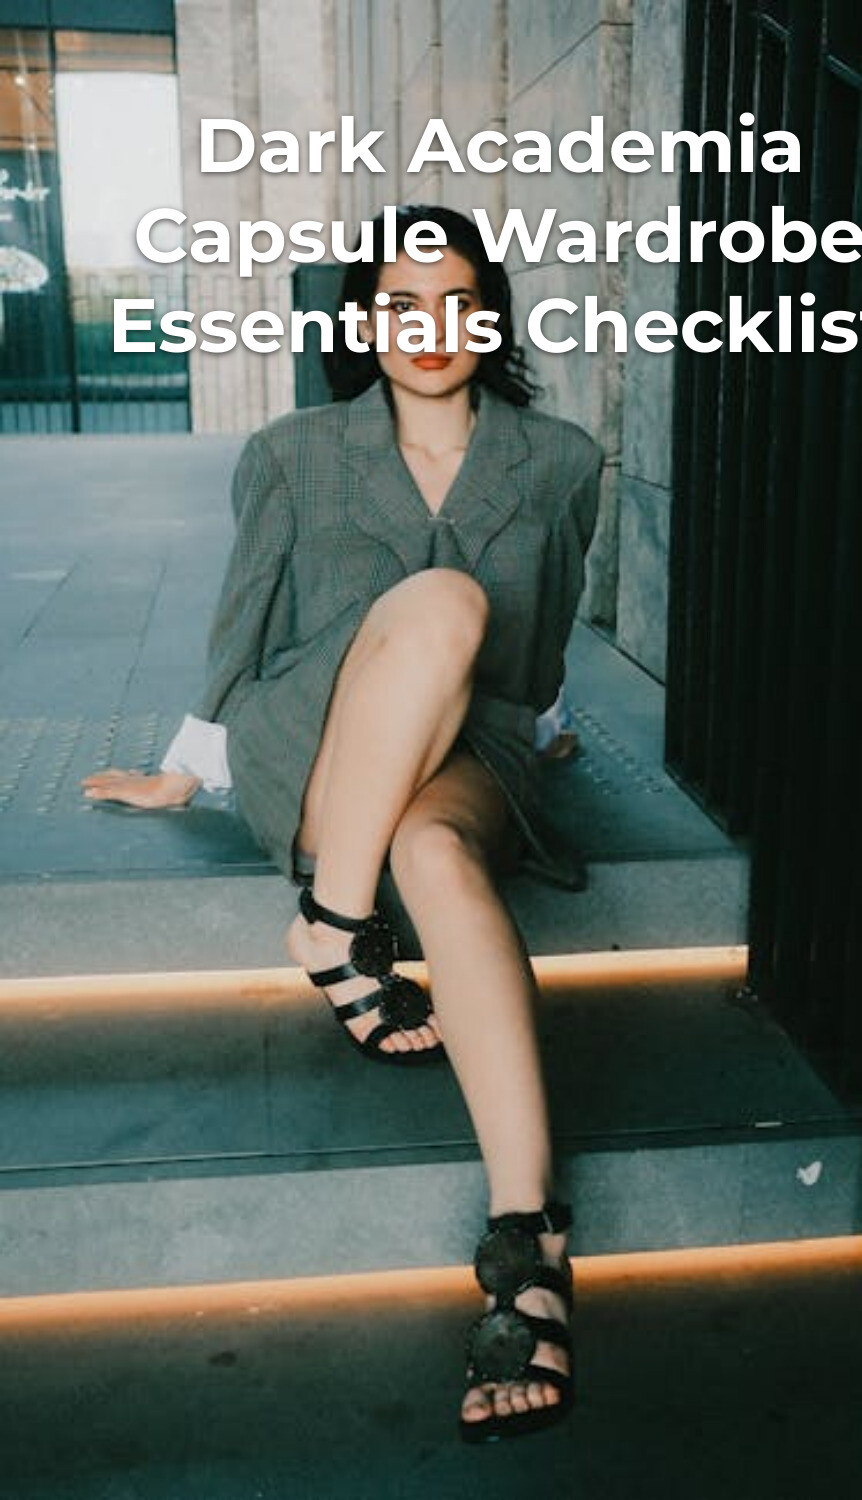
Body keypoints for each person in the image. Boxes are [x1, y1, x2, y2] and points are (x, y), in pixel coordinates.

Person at [82, 205, 602, 1443]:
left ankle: (527, 1244)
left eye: (457, 303)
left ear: (494, 314)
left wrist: (545, 731)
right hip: (312, 738)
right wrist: (184, 769)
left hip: (465, 749)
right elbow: (244, 621)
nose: (430, 330)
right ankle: (335, 913)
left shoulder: (564, 459)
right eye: (401, 305)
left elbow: (541, 640)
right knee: (436, 599)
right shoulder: (293, 449)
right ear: (363, 318)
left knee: (441, 847)